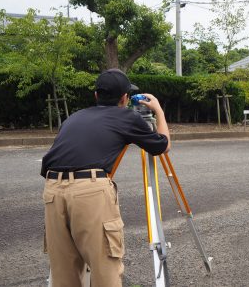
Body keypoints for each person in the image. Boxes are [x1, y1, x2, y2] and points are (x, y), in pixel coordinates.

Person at [40, 68, 170, 287]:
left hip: (52, 190)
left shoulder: (75, 117)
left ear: (96, 95)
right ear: (125, 98)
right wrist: (158, 111)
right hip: (89, 192)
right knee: (105, 270)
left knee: (63, 274)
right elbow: (163, 145)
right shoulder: (126, 116)